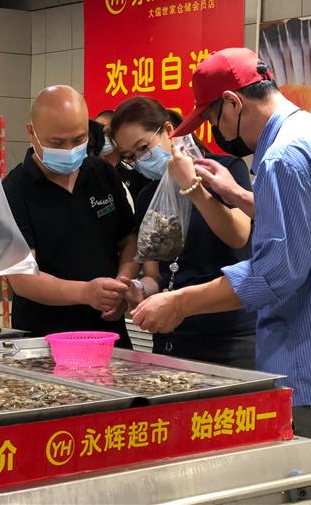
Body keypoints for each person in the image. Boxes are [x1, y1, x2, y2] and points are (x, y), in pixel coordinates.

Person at [130, 48, 311, 504]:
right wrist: (235, 193)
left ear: (233, 102)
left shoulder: (281, 158)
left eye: (215, 119)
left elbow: (275, 272)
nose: (219, 133)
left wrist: (180, 302)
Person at [110, 96, 257, 368]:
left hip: (230, 335)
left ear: (168, 130)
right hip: (172, 334)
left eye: (143, 147)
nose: (141, 160)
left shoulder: (223, 171)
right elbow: (156, 274)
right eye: (131, 157)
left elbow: (239, 236)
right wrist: (138, 288)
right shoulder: (148, 197)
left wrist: (192, 186)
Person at [3, 85, 136, 347]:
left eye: (78, 139)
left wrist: (122, 284)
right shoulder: (14, 190)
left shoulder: (102, 173)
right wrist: (85, 292)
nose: (70, 150)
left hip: (109, 335)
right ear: (31, 132)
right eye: (57, 143)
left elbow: (129, 238)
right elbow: (23, 279)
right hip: (43, 340)